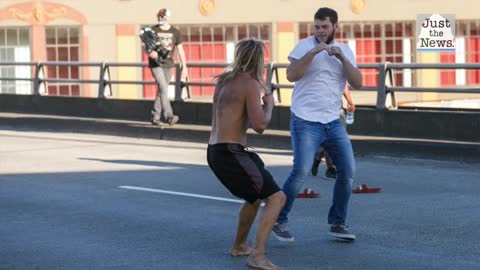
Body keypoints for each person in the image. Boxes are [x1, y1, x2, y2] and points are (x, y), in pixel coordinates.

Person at [272, 7, 363, 242]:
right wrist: (314, 52)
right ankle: (279, 220)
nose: (320, 31)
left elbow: (358, 82)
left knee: (348, 171)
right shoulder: (304, 46)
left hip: (333, 121)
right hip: (305, 120)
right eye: (317, 27)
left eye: (324, 27)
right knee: (300, 171)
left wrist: (342, 58)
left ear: (335, 27)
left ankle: (338, 223)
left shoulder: (345, 50)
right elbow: (291, 75)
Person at [207, 39, 286, 270]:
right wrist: (269, 104)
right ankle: (257, 255)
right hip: (230, 152)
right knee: (277, 198)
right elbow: (260, 125)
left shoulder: (223, 80)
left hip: (216, 150)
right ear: (258, 59)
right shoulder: (250, 83)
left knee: (255, 197)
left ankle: (240, 246)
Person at [144, 8, 188, 126]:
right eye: (159, 17)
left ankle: (155, 117)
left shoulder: (175, 32)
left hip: (169, 64)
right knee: (163, 88)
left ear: (168, 18)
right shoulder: (153, 30)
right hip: (156, 64)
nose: (161, 19)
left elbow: (180, 50)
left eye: (163, 17)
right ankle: (169, 116)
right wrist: (150, 53)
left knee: (162, 90)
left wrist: (184, 66)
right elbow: (146, 46)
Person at [312, 87, 356, 179]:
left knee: (336, 141)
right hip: (320, 112)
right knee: (330, 140)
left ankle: (317, 158)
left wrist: (350, 101)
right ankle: (330, 169)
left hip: (337, 111)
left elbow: (343, 85)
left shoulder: (339, 73)